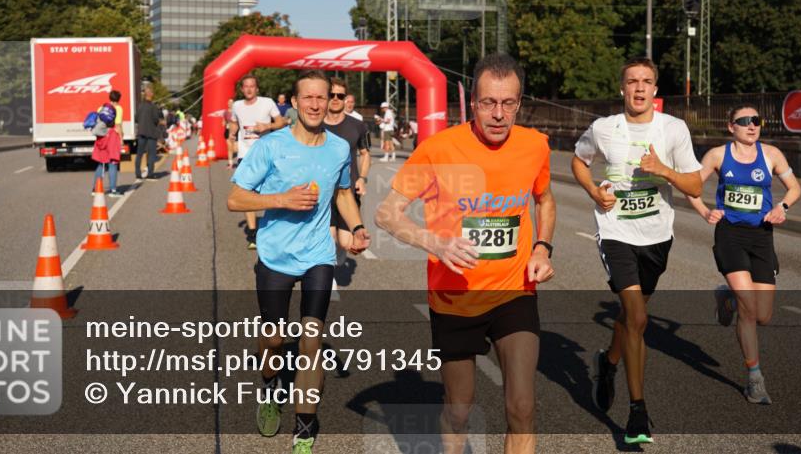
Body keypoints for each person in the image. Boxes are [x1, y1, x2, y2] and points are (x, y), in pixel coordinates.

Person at [375, 54, 555, 454]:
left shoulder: (534, 146)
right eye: (489, 102)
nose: (498, 114)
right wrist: (434, 242)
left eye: (509, 103)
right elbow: (386, 213)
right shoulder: (438, 148)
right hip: (455, 294)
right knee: (459, 409)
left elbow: (544, 200)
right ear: (471, 103)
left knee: (522, 406)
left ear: (519, 104)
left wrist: (542, 247)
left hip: (515, 290)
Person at [227, 70, 370, 454]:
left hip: (318, 256)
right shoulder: (271, 146)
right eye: (306, 97)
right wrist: (280, 200)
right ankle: (271, 385)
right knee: (273, 339)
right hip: (275, 255)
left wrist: (356, 227)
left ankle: (304, 430)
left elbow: (342, 193)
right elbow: (236, 198)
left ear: (330, 102)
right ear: (293, 102)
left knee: (311, 340)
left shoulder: (339, 148)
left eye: (321, 98)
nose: (314, 104)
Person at [571, 57, 702, 444]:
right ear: (622, 88)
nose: (640, 88)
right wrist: (594, 191)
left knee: (632, 319)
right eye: (632, 81)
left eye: (647, 81)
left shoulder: (673, 129)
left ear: (656, 90)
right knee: (638, 318)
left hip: (657, 236)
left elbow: (694, 187)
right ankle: (638, 413)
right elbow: (579, 161)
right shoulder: (603, 128)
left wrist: (664, 171)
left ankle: (608, 363)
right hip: (616, 233)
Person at [687, 105, 801, 405]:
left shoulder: (772, 155)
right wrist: (703, 211)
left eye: (756, 121)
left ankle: (726, 296)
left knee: (762, 315)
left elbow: (794, 188)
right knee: (748, 306)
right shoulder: (717, 156)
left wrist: (782, 208)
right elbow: (691, 186)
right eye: (744, 121)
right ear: (731, 127)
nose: (752, 126)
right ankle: (755, 378)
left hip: (762, 237)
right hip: (730, 235)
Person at [230, 74, 285, 249]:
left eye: (252, 86)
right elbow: (233, 122)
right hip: (245, 154)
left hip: (267, 153)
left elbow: (281, 122)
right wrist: (232, 133)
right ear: (242, 89)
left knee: (273, 191)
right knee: (247, 193)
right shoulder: (237, 106)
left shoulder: (267, 102)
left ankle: (276, 230)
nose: (248, 89)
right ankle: (253, 234)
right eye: (245, 86)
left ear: (257, 89)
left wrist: (266, 126)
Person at [323, 78, 371, 267]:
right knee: (328, 237)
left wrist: (362, 178)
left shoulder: (358, 126)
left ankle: (336, 260)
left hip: (348, 190)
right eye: (331, 95)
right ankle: (328, 280)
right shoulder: (315, 125)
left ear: (345, 99)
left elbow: (365, 154)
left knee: (344, 242)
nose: (335, 99)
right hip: (323, 190)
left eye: (340, 96)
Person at [92, 90, 124, 196]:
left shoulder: (101, 107)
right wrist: (121, 138)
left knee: (101, 163)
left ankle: (95, 189)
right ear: (119, 99)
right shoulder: (118, 108)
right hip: (112, 137)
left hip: (101, 137)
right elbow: (118, 125)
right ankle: (113, 190)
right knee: (113, 163)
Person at [135, 85, 163, 180]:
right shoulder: (153, 106)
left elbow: (136, 118)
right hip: (151, 133)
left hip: (141, 132)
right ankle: (150, 174)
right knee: (151, 154)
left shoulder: (140, 106)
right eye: (152, 92)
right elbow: (155, 119)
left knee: (139, 154)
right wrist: (160, 121)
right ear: (150, 94)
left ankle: (138, 173)